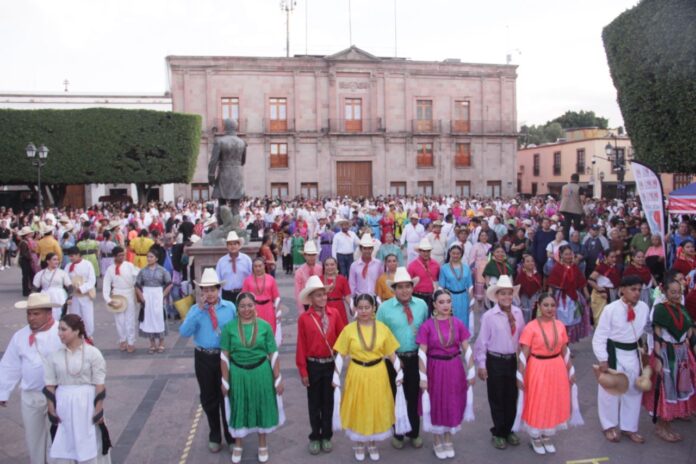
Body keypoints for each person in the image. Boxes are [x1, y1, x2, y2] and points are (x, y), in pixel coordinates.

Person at [335, 294, 402, 461]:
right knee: (359, 406)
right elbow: (340, 354)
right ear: (355, 309)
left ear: (374, 308)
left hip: (378, 373)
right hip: (357, 372)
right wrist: (335, 375)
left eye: (367, 307)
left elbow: (391, 354)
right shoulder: (348, 329)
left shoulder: (382, 328)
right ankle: (358, 443)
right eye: (360, 307)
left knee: (374, 406)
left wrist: (400, 371)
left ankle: (372, 443)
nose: (364, 311)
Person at [221, 292, 284, 464]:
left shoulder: (264, 326)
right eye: (242, 306)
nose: (246, 309)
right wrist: (225, 381)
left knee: (261, 405)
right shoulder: (229, 328)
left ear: (255, 306)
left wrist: (277, 379)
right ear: (237, 308)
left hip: (261, 372)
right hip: (238, 374)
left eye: (250, 305)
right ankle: (239, 443)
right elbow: (225, 356)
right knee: (239, 405)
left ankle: (262, 443)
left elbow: (273, 353)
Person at [0, 293, 63, 464]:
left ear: (48, 313)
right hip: (30, 395)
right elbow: (9, 365)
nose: (31, 318)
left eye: (36, 314)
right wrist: (3, 392)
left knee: (57, 439)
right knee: (33, 438)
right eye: (29, 313)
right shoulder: (20, 336)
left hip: (57, 395)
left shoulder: (60, 333)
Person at [179, 268, 237, 454]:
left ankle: (230, 434)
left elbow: (236, 330)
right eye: (206, 290)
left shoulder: (229, 308)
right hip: (204, 357)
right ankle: (214, 433)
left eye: (213, 289)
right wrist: (198, 311)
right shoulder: (195, 310)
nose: (209, 293)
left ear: (219, 289)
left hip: (224, 357)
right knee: (208, 397)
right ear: (201, 292)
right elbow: (184, 332)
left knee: (227, 396)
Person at [43, 314, 111, 463]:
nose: (59, 334)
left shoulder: (93, 353)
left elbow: (99, 383)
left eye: (63, 329)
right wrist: (52, 409)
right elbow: (50, 384)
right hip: (63, 402)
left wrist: (98, 410)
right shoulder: (54, 356)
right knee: (63, 440)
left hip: (86, 403)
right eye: (59, 330)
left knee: (89, 441)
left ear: (76, 331)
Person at [416, 289, 474, 459]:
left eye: (448, 301)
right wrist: (423, 377)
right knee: (436, 401)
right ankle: (436, 439)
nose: (445, 305)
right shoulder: (427, 326)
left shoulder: (457, 323)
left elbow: (466, 349)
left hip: (454, 367)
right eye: (441, 302)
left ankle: (448, 438)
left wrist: (471, 371)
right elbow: (421, 353)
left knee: (452, 400)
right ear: (434, 304)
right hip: (435, 368)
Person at [592, 275, 649, 444]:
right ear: (622, 290)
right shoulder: (611, 309)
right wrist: (603, 358)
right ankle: (609, 426)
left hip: (633, 354)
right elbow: (599, 336)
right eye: (633, 289)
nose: (637, 293)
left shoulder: (644, 308)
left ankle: (629, 427)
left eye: (639, 289)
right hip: (614, 353)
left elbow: (646, 331)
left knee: (634, 390)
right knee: (610, 391)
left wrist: (646, 353)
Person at [376, 267, 428, 450]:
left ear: (412, 287)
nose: (404, 290)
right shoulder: (384, 308)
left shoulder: (421, 305)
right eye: (400, 287)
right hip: (394, 360)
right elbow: (379, 335)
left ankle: (414, 433)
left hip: (414, 357)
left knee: (413, 397)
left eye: (408, 286)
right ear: (394, 289)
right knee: (395, 397)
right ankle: (397, 433)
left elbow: (426, 331)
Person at [517, 293, 575, 455]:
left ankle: (548, 434)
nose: (550, 309)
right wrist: (519, 375)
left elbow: (565, 350)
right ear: (539, 307)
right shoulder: (531, 327)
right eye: (546, 305)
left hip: (556, 367)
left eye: (552, 305)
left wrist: (570, 370)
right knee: (538, 399)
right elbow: (524, 354)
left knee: (553, 399)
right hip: (537, 367)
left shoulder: (560, 325)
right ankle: (535, 435)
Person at [474, 275, 526, 450]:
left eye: (509, 294)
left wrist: (523, 362)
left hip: (512, 360)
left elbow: (523, 338)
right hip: (495, 360)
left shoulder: (518, 313)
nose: (506, 297)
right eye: (502, 294)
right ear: (497, 296)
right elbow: (482, 342)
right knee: (496, 397)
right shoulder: (489, 316)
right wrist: (481, 364)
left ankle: (509, 429)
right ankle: (498, 431)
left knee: (512, 396)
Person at [295, 276, 346, 455]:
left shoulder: (334, 314)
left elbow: (343, 337)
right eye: (318, 295)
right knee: (314, 402)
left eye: (324, 295)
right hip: (313, 365)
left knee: (328, 401)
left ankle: (327, 435)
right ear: (310, 298)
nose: (322, 298)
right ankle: (315, 436)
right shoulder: (304, 318)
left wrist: (340, 360)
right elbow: (301, 345)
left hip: (330, 364)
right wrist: (303, 370)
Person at [642, 278, 696, 442]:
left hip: (681, 353)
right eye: (673, 292)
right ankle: (661, 426)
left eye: (679, 292)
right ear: (665, 292)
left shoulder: (682, 309)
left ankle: (668, 424)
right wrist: (658, 358)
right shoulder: (660, 309)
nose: (676, 295)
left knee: (680, 385)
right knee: (665, 389)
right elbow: (657, 335)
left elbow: (689, 330)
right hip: (666, 353)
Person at [547, 245, 591, 343]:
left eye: (570, 254)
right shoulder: (557, 268)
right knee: (561, 323)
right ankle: (561, 345)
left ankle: (566, 346)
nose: (569, 256)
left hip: (573, 298)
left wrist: (587, 296)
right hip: (561, 299)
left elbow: (582, 282)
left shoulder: (575, 267)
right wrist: (549, 299)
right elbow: (551, 285)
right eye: (566, 254)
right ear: (561, 255)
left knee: (571, 323)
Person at [102, 246, 138, 352]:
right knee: (119, 320)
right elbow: (106, 284)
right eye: (119, 255)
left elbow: (138, 276)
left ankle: (131, 341)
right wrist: (108, 299)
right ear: (115, 256)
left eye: (123, 254)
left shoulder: (129, 266)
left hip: (129, 293)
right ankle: (122, 340)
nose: (122, 257)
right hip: (117, 294)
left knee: (130, 319)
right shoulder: (110, 269)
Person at [136, 250, 173, 353]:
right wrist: (141, 297)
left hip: (158, 295)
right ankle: (152, 343)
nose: (149, 259)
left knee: (160, 317)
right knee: (148, 318)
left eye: (151, 257)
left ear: (156, 258)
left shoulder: (162, 271)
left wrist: (162, 295)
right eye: (148, 257)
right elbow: (137, 285)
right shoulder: (143, 271)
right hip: (147, 295)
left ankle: (161, 343)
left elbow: (169, 284)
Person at [242, 257, 281, 341]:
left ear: (264, 266)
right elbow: (243, 298)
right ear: (252, 267)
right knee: (255, 332)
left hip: (268, 308)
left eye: (260, 266)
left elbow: (276, 297)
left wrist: (278, 312)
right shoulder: (247, 280)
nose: (258, 268)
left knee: (269, 331)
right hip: (253, 309)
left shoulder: (271, 279)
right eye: (255, 266)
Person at [438, 244, 473, 329]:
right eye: (453, 253)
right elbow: (441, 286)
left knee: (463, 318)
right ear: (450, 253)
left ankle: (462, 338)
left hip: (463, 297)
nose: (455, 255)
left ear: (461, 254)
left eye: (458, 253)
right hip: (450, 297)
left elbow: (470, 286)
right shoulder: (444, 268)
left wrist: (472, 302)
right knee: (450, 318)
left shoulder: (466, 267)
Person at [65, 246, 97, 339]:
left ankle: (89, 336)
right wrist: (71, 287)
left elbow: (92, 280)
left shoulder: (87, 264)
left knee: (88, 317)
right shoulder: (68, 266)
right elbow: (66, 279)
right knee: (74, 316)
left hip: (85, 295)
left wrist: (83, 288)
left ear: (78, 255)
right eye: (70, 256)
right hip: (74, 295)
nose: (71, 258)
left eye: (73, 256)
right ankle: (77, 336)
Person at [215, 231, 253, 304]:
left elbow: (251, 277)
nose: (232, 246)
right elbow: (218, 281)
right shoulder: (221, 261)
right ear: (227, 246)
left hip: (243, 293)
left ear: (239, 245)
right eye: (230, 244)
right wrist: (218, 297)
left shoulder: (246, 259)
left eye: (235, 244)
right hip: (227, 294)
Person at [34, 252, 72, 322]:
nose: (57, 262)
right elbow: (35, 288)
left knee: (60, 317)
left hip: (59, 297)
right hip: (45, 297)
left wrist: (69, 298)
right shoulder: (40, 274)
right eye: (54, 260)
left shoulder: (62, 273)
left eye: (57, 260)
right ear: (48, 261)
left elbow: (70, 286)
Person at [407, 238, 440, 315]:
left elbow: (437, 280)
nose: (426, 253)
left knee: (428, 318)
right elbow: (408, 284)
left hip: (430, 297)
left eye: (428, 251)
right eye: (423, 251)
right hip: (417, 296)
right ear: (419, 251)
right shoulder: (412, 266)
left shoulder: (436, 265)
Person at [349, 234, 383, 298]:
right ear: (361, 249)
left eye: (369, 248)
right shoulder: (354, 266)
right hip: (360, 297)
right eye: (365, 248)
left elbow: (381, 280)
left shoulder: (378, 264)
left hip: (374, 297)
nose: (367, 251)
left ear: (372, 249)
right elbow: (352, 284)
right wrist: (353, 300)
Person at [322, 256, 352, 326]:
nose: (330, 267)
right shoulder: (319, 279)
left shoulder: (342, 279)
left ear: (336, 266)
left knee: (341, 330)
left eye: (332, 264)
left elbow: (347, 297)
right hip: (324, 307)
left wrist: (353, 307)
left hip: (339, 307)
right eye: (327, 265)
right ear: (324, 267)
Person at [294, 240, 323, 312]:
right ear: (304, 256)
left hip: (320, 301)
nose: (311, 257)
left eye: (313, 255)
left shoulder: (321, 268)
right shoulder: (299, 272)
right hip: (306, 303)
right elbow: (298, 292)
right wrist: (301, 310)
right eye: (309, 255)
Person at [514, 254, 543, 322]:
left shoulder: (537, 275)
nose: (530, 263)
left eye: (532, 261)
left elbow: (539, 289)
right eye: (527, 261)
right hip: (524, 300)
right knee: (525, 317)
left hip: (535, 299)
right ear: (523, 264)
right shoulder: (521, 276)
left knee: (535, 315)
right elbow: (517, 290)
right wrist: (518, 303)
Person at [469, 229, 492, 308]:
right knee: (479, 288)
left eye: (485, 235)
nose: (484, 237)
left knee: (487, 286)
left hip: (488, 269)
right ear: (479, 237)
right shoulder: (476, 246)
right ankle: (479, 304)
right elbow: (472, 259)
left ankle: (487, 303)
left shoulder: (490, 246)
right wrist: (472, 269)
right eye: (482, 235)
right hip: (479, 269)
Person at [559, 173, 584, 241]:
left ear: (571, 178)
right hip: (575, 209)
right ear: (578, 179)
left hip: (565, 208)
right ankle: (576, 239)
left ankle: (566, 240)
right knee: (576, 226)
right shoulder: (579, 188)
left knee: (567, 226)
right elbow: (582, 199)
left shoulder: (564, 187)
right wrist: (583, 210)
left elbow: (562, 197)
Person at [17, 227, 37, 296]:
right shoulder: (23, 242)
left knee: (29, 275)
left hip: (26, 260)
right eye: (30, 233)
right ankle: (25, 291)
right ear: (27, 234)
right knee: (26, 275)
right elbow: (24, 253)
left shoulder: (26, 241)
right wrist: (31, 257)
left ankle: (29, 289)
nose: (31, 234)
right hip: (25, 260)